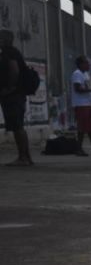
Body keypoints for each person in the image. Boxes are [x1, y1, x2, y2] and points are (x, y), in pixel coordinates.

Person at [0, 29, 33, 166]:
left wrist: (10, 88)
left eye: (0, 38)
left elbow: (14, 70)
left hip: (13, 95)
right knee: (17, 125)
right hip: (15, 94)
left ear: (6, 39)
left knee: (17, 126)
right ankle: (25, 157)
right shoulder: (11, 52)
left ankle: (23, 158)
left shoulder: (9, 52)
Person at [70, 55, 91, 156]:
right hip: (81, 104)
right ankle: (79, 148)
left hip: (88, 103)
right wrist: (90, 90)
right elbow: (77, 88)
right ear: (81, 64)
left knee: (89, 127)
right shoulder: (77, 74)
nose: (88, 65)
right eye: (86, 63)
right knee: (82, 128)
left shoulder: (86, 74)